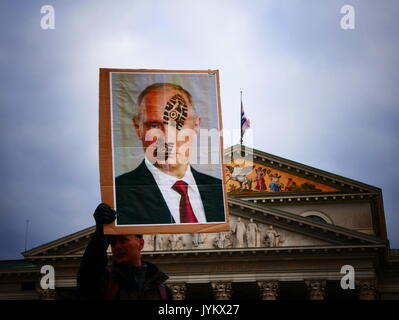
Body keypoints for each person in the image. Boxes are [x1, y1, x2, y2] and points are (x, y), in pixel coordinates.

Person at [115, 83, 225, 225]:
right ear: (138, 128)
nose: (168, 137)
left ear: (196, 125)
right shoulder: (118, 193)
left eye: (178, 124)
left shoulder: (220, 191)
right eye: (154, 126)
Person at [77, 203, 173, 300]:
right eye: (113, 243)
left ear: (141, 243)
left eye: (123, 241)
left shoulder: (163, 291)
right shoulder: (105, 281)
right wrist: (100, 233)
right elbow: (87, 277)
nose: (117, 247)